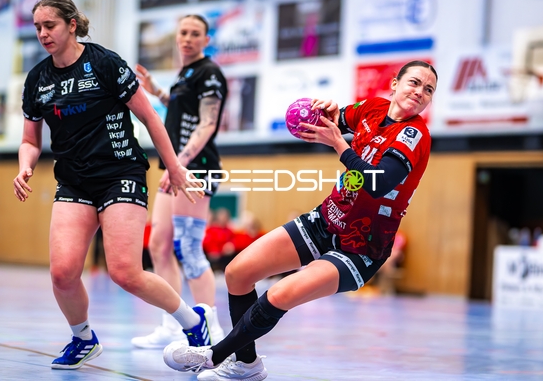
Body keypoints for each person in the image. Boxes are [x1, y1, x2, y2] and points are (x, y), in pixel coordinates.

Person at [163, 60, 437, 380]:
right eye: (414, 82)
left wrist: (339, 144)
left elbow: (379, 183)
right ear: (395, 84)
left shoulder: (414, 134)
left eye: (428, 89)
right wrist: (327, 111)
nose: (419, 92)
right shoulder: (372, 108)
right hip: (325, 220)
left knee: (279, 295)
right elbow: (337, 117)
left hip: (361, 247)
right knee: (237, 273)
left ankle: (213, 355)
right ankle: (247, 365)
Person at [13, 0, 214, 370]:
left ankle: (193, 321)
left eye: (50, 26)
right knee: (62, 273)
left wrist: (174, 168)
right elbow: (30, 140)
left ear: (72, 25)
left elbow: (151, 118)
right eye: (38, 27)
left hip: (120, 173)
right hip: (74, 181)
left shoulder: (104, 63)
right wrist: (25, 166)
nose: (43, 34)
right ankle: (83, 338)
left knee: (125, 273)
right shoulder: (37, 79)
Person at [130, 14, 228, 349]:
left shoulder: (209, 72)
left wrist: (179, 165)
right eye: (183, 32)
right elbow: (181, 109)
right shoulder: (185, 74)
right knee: (158, 244)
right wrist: (157, 91)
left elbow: (206, 123)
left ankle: (211, 327)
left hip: (195, 168)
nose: (187, 38)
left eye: (195, 33)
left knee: (187, 246)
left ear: (206, 40)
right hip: (176, 169)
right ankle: (173, 325)